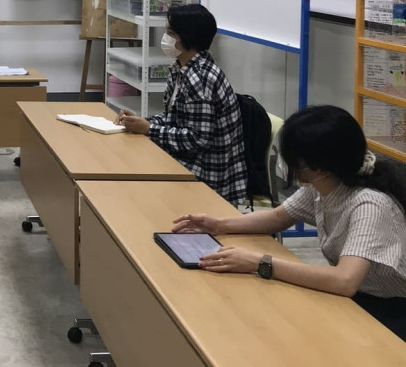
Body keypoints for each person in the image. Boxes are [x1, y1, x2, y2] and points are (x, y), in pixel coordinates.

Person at [172, 105, 406, 341]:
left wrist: (260, 262)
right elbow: (277, 218)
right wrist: (219, 225)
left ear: (319, 168)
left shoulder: (370, 205)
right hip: (358, 298)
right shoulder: (323, 185)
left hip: (391, 310)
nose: (286, 163)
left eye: (293, 159)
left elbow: (344, 281)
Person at [115, 3, 247, 204]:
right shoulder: (180, 68)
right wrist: (142, 122)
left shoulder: (200, 79)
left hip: (206, 175)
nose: (165, 38)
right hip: (188, 160)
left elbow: (198, 139)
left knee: (134, 182)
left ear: (187, 37)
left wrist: (149, 129)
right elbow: (173, 117)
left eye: (170, 33)